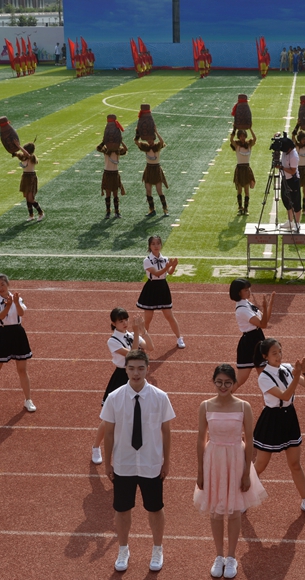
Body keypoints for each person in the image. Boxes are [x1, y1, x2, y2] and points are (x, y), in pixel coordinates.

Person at [102, 349, 175, 573]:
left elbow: (166, 431)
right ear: (125, 369)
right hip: (123, 463)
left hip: (151, 463)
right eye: (132, 368)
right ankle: (123, 549)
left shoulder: (160, 397)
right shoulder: (114, 398)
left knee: (155, 508)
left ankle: (157, 548)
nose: (136, 373)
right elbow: (108, 433)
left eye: (141, 368)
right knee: (122, 509)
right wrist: (107, 463)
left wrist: (166, 462)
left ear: (147, 369)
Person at [194, 364, 267, 579]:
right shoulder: (205, 406)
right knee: (216, 511)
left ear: (234, 383)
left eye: (227, 382)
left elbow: (250, 440)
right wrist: (200, 471)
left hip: (236, 458)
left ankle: (232, 556)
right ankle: (219, 556)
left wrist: (246, 471)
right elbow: (201, 439)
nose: (223, 386)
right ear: (213, 382)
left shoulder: (244, 407)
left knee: (234, 511)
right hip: (213, 460)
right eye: (219, 382)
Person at [251, 338, 305, 517]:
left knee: (295, 464)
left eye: (280, 352)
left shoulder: (288, 368)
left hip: (289, 417)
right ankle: (242, 494)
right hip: (272, 419)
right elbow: (285, 395)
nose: (279, 356)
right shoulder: (264, 377)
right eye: (274, 353)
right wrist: (296, 376)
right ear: (265, 356)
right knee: (261, 465)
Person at [92, 308, 153, 464]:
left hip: (135, 377)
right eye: (120, 321)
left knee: (137, 412)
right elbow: (133, 354)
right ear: (113, 323)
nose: (125, 323)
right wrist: (136, 333)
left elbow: (150, 347)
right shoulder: (112, 341)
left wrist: (143, 330)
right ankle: (96, 447)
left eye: (126, 319)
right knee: (108, 418)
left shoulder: (131, 335)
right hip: (121, 377)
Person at [0, 274, 35, 412]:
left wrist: (15, 303)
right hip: (3, 334)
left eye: (2, 284)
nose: (0, 288)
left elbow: (21, 313)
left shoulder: (17, 298)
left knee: (22, 369)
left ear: (8, 284)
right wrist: (9, 305)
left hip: (18, 333)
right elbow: (1, 316)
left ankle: (28, 400)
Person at [136, 235, 185, 348]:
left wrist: (173, 266)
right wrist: (167, 267)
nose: (156, 246)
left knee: (169, 316)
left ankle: (179, 338)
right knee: (148, 319)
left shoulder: (165, 259)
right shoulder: (147, 260)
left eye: (158, 243)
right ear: (149, 246)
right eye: (153, 244)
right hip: (152, 288)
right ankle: (141, 341)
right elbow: (157, 273)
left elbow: (169, 272)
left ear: (161, 245)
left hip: (163, 287)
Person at [229, 278, 274, 389]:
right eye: (246, 290)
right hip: (250, 342)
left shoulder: (247, 303)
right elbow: (263, 324)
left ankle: (269, 400)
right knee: (241, 379)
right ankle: (223, 397)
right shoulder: (242, 309)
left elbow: (265, 319)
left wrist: (270, 305)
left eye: (249, 289)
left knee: (265, 378)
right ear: (238, 292)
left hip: (258, 338)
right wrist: (265, 307)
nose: (249, 292)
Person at [135, 128, 168, 217]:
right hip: (148, 169)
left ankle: (165, 209)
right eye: (148, 140)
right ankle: (151, 209)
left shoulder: (157, 146)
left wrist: (156, 132)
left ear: (153, 139)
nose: (149, 141)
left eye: (151, 139)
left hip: (156, 169)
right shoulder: (145, 147)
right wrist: (138, 133)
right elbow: (136, 142)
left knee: (159, 190)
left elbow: (162, 142)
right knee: (148, 190)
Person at [230, 128, 257, 216]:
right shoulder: (237, 145)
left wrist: (250, 128)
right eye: (241, 136)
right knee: (239, 190)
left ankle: (246, 208)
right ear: (239, 137)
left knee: (246, 190)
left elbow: (255, 139)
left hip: (246, 169)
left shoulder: (249, 145)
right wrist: (234, 129)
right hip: (239, 169)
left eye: (244, 136)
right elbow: (231, 139)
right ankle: (240, 208)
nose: (242, 138)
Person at [278, 134, 302, 230]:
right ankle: (290, 221)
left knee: (295, 201)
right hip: (285, 179)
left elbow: (292, 171)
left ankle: (297, 223)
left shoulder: (294, 156)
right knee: (286, 200)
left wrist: (281, 168)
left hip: (293, 180)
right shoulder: (285, 151)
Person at [98, 140, 127, 219]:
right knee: (108, 194)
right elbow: (98, 148)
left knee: (115, 194)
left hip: (114, 173)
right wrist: (104, 141)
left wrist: (121, 141)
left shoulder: (118, 150)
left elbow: (125, 149)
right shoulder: (105, 150)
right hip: (107, 173)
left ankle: (117, 212)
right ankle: (108, 212)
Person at [17, 143, 44, 221]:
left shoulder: (32, 157)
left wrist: (19, 146)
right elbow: (17, 154)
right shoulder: (24, 157)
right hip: (25, 177)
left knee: (30, 198)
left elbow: (27, 155)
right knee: (26, 197)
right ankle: (31, 215)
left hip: (31, 178)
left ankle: (41, 213)